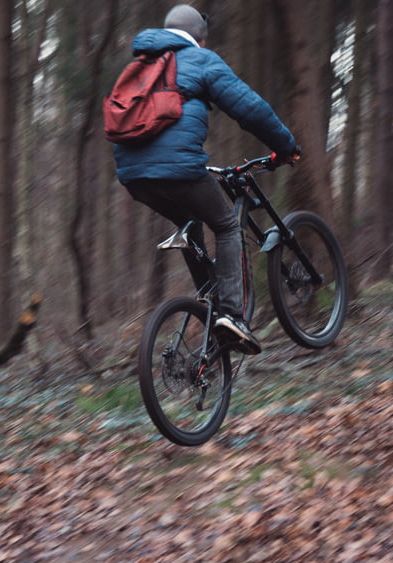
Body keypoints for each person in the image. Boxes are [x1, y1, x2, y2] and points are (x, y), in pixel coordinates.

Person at [112, 4, 299, 355]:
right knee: (226, 226)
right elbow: (250, 108)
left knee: (191, 222)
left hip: (134, 177)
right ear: (200, 34)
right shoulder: (201, 60)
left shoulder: (138, 66)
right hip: (179, 169)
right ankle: (232, 316)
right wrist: (285, 146)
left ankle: (209, 305)